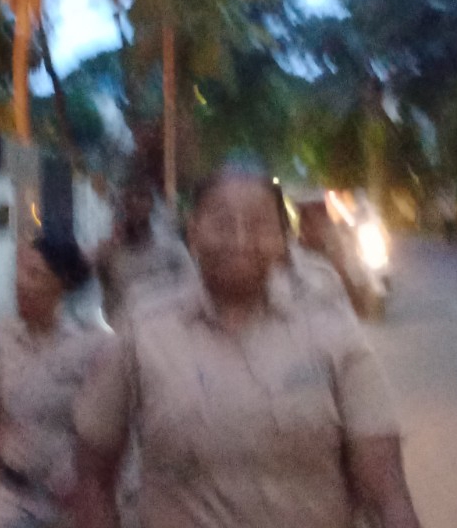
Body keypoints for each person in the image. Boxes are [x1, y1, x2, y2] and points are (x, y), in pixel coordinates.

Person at [75, 160, 422, 528]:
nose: (240, 240)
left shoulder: (333, 332)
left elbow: (387, 492)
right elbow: (92, 478)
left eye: (259, 225)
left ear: (283, 239)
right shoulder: (142, 331)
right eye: (222, 224)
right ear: (192, 232)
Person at [0, 236, 106, 528]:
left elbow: (105, 431)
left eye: (35, 274)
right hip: (6, 497)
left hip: (64, 506)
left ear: (62, 283)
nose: (21, 282)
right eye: (20, 271)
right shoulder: (3, 337)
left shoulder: (89, 346)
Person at [96, 175, 196, 327]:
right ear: (120, 205)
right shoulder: (110, 257)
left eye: (141, 196)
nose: (134, 203)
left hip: (173, 329)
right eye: (128, 198)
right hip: (131, 332)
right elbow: (108, 304)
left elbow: (193, 288)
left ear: (150, 203)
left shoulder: (172, 249)